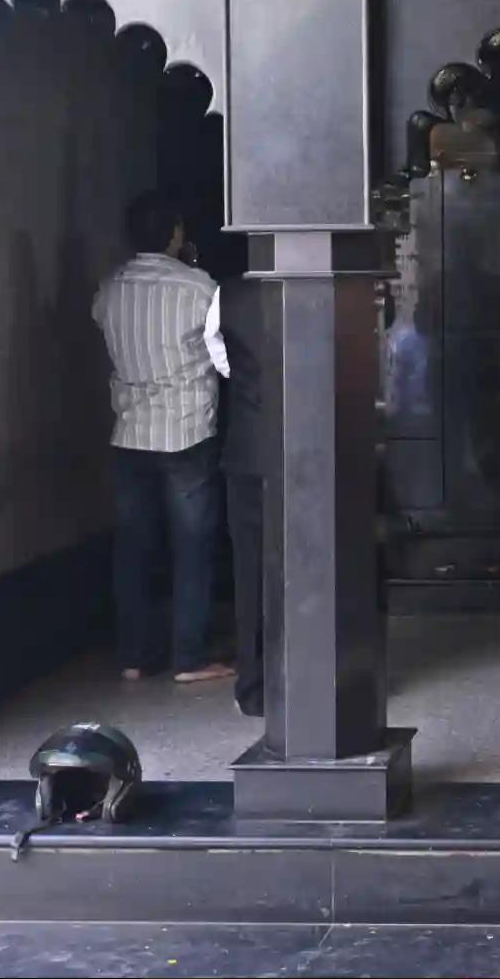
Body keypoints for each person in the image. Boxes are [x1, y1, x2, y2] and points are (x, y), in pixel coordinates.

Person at [93, 190, 233, 685]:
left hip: (130, 432)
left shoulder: (109, 289)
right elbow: (226, 361)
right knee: (192, 546)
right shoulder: (199, 288)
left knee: (134, 546)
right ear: (175, 233)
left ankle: (134, 654)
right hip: (187, 430)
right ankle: (189, 657)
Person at [218, 271, 275, 718]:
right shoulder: (328, 283)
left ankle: (255, 687)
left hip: (249, 450)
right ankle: (326, 677)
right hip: (314, 455)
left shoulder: (228, 294)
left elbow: (221, 363)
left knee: (251, 574)